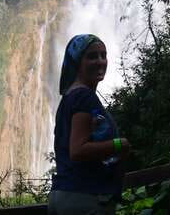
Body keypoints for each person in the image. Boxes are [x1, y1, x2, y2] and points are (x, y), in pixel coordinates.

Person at [48, 34, 131, 215]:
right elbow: (77, 150)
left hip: (65, 195)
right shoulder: (83, 97)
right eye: (92, 56)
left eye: (103, 55)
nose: (100, 61)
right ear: (77, 62)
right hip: (85, 197)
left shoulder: (69, 97)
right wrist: (119, 144)